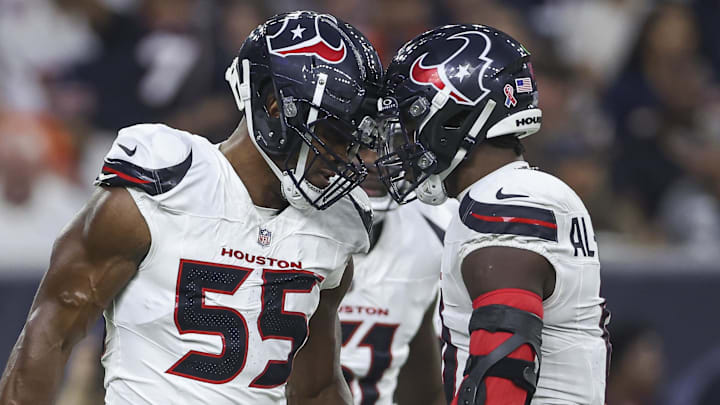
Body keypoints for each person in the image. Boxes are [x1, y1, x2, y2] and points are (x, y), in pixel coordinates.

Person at [0, 11, 383, 405]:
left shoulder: (335, 225)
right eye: (336, 133)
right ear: (273, 107)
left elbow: (315, 387)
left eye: (356, 139)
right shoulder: (167, 185)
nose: (347, 155)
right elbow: (50, 333)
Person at [375, 24, 610, 405]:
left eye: (412, 120)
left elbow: (502, 372)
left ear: (453, 118)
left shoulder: (505, 201)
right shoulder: (519, 192)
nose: (406, 138)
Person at [338, 147, 452, 405]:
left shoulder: (440, 232)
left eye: (385, 144)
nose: (372, 161)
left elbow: (425, 392)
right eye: (356, 144)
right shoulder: (281, 226)